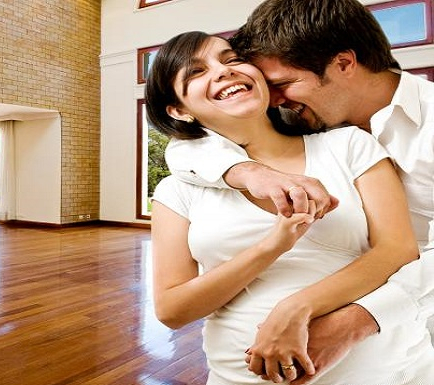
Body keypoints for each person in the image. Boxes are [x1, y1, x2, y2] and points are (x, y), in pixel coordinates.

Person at [163, 0, 434, 382]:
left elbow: (400, 251)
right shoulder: (310, 119)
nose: (275, 98)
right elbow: (188, 146)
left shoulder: (365, 137)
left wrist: (344, 318)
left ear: (343, 64)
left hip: (402, 349)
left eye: (283, 84)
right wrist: (246, 173)